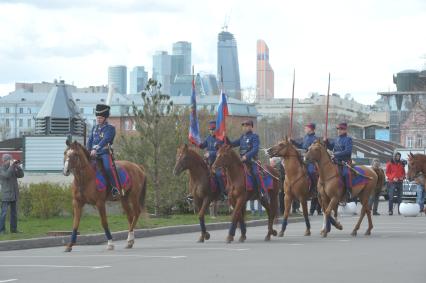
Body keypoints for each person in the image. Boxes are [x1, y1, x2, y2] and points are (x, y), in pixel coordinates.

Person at [230, 120, 268, 202]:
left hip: (252, 161)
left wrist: (246, 156)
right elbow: (232, 144)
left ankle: (261, 192)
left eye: (247, 125)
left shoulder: (254, 136)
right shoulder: (242, 137)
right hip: (241, 161)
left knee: (256, 173)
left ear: (251, 127)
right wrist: (224, 138)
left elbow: (255, 149)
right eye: (244, 126)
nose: (245, 127)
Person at [87, 104, 120, 198]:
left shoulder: (110, 128)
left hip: (104, 153)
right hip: (93, 153)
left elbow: (105, 140)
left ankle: (114, 188)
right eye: (97, 117)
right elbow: (90, 140)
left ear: (105, 118)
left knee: (108, 168)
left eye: (100, 118)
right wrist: (88, 150)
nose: (98, 119)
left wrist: (95, 149)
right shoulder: (94, 128)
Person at [291, 122, 321, 215]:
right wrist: (293, 142)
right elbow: (301, 146)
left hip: (311, 161)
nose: (305, 129)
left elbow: (315, 150)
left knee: (311, 172)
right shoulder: (305, 137)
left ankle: (314, 189)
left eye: (306, 128)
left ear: (311, 129)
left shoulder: (315, 139)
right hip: (303, 159)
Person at [324, 122, 353, 200]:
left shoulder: (348, 139)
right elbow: (330, 147)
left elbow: (348, 151)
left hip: (345, 161)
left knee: (346, 174)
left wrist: (336, 155)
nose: (339, 131)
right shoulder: (336, 139)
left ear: (345, 130)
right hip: (335, 161)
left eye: (341, 129)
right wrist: (326, 142)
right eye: (338, 129)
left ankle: (348, 191)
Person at [198, 121, 225, 199]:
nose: (211, 131)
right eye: (210, 129)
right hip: (208, 162)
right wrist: (197, 142)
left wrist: (210, 153)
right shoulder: (208, 138)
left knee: (219, 175)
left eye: (213, 129)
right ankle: (195, 191)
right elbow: (203, 146)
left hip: (217, 164)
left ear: (216, 129)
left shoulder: (220, 139)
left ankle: (223, 193)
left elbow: (221, 152)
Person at [0, 154, 24, 234]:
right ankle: (2, 230)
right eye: (9, 160)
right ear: (4, 161)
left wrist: (18, 166)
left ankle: (14, 229)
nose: (11, 161)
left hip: (14, 194)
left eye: (11, 160)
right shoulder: (1, 169)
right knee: (4, 213)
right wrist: (11, 166)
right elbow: (6, 175)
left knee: (14, 213)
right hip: (6, 194)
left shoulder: (13, 168)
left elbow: (21, 175)